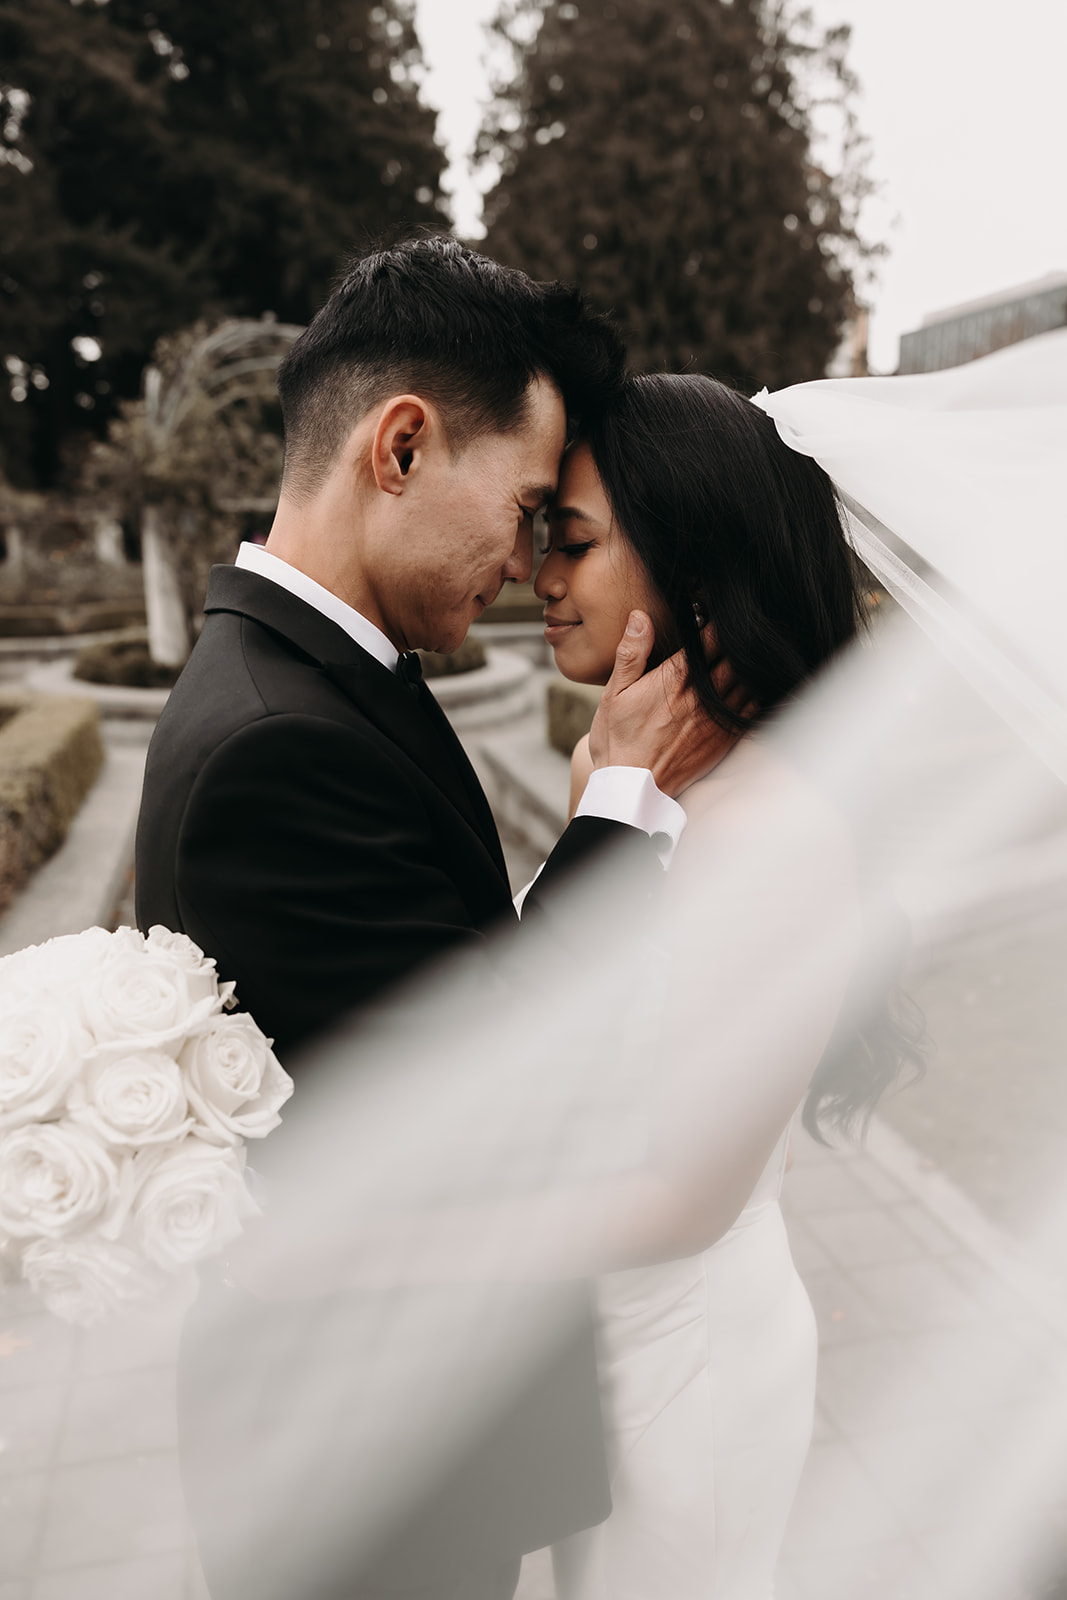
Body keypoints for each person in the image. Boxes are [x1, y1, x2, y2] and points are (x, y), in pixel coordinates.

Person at [133, 240, 738, 1600]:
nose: (528, 562)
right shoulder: (276, 744)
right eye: (525, 506)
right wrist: (617, 820)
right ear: (399, 447)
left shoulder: (312, 678)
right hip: (367, 1479)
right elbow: (483, 1107)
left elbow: (422, 998)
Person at [533, 372, 916, 1600]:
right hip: (621, 1342)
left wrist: (389, 1242)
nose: (537, 575)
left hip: (684, 1362)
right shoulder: (646, 777)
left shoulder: (765, 827)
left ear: (692, 570)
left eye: (575, 544)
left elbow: (686, 1199)